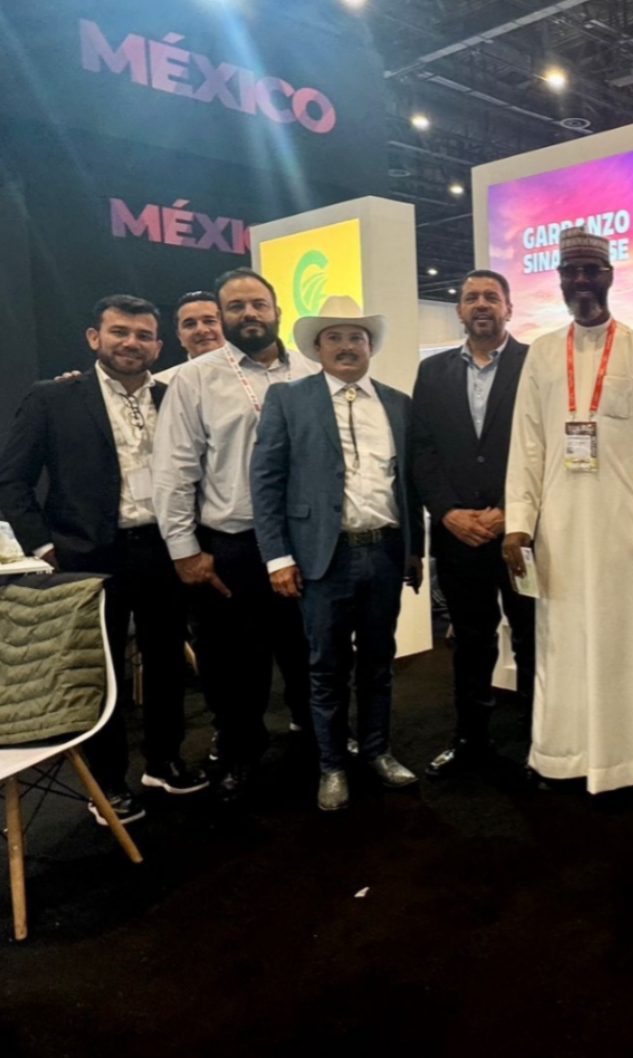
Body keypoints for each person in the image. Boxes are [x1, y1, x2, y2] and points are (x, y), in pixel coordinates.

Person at [0, 295, 208, 825]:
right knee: (101, 673)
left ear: (158, 346)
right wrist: (44, 548)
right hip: (90, 556)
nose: (131, 343)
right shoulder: (53, 398)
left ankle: (163, 761)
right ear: (95, 338)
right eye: (119, 332)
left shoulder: (174, 397)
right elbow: (12, 480)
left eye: (143, 335)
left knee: (166, 663)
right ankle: (108, 783)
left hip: (164, 550)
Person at [502, 227, 633, 794]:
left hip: (626, 532)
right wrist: (518, 524)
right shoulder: (542, 354)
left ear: (609, 276)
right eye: (570, 272)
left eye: (591, 270)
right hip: (559, 527)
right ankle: (562, 755)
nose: (581, 280)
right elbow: (527, 442)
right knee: (563, 640)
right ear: (559, 280)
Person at [250, 296, 425, 811]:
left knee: (379, 662)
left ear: (370, 347)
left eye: (356, 337)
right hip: (323, 558)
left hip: (385, 553)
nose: (347, 346)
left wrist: (415, 551)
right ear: (318, 347)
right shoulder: (288, 399)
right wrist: (278, 557)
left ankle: (376, 751)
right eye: (335, 338)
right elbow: (266, 481)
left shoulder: (397, 403)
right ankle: (331, 764)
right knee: (325, 667)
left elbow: (408, 485)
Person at [153, 267, 317, 804]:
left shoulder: (312, 371)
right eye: (237, 306)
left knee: (309, 649)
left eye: (258, 304)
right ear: (223, 317)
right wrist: (185, 551)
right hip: (235, 545)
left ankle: (318, 739)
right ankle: (241, 753)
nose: (249, 314)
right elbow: (174, 470)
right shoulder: (194, 379)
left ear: (277, 311)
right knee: (234, 664)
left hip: (308, 540)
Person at [412, 270, 535, 776]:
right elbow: (422, 450)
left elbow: (545, 445)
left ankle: (540, 740)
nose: (481, 304)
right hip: (458, 534)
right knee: (470, 640)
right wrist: (447, 511)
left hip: (522, 534)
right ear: (459, 310)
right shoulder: (432, 372)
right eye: (471, 298)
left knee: (532, 636)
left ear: (509, 308)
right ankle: (470, 739)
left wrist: (514, 509)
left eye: (491, 296)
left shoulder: (536, 364)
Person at [153, 291, 225, 384]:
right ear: (179, 336)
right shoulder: (161, 384)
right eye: (190, 324)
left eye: (209, 321)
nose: (201, 330)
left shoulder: (244, 374)